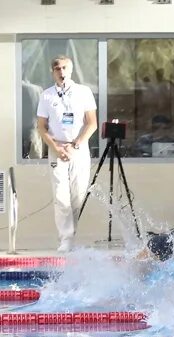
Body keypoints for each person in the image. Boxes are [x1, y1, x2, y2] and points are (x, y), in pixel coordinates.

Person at [34, 55, 98, 253]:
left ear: (70, 70)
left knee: (77, 195)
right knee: (61, 197)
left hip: (78, 150)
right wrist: (56, 148)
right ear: (52, 72)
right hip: (57, 151)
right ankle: (66, 239)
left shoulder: (83, 92)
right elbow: (42, 127)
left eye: (64, 68)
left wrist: (75, 145)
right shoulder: (46, 95)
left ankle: (72, 234)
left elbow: (92, 123)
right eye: (57, 68)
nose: (61, 72)